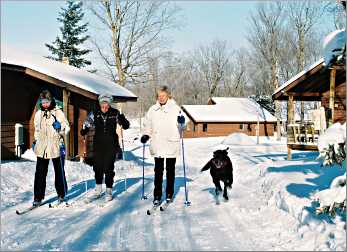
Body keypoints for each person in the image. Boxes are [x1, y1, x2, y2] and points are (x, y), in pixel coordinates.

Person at [141, 86, 188, 206]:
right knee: (158, 171)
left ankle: (169, 193)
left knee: (170, 171)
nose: (161, 98)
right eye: (159, 96)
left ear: (168, 96)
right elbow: (147, 124)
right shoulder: (152, 109)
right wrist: (146, 134)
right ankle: (157, 195)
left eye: (163, 95)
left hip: (171, 142)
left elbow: (182, 126)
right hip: (158, 144)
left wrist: (182, 122)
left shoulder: (175, 108)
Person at [80, 93, 130, 202]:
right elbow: (86, 125)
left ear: (110, 105)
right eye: (103, 105)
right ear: (100, 104)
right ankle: (98, 189)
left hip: (111, 145)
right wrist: (84, 129)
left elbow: (126, 126)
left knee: (108, 168)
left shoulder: (115, 113)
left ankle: (108, 190)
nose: (105, 108)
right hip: (98, 145)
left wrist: (122, 118)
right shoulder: (95, 113)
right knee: (97, 167)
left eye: (107, 105)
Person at [32, 90, 70, 206]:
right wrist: (35, 141)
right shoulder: (38, 114)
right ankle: (38, 197)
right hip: (42, 146)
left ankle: (61, 194)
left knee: (59, 172)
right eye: (43, 102)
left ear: (51, 101)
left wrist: (61, 126)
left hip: (55, 145)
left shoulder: (58, 112)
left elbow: (67, 127)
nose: (45, 105)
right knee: (40, 173)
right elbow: (37, 130)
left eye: (47, 102)